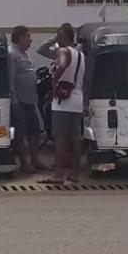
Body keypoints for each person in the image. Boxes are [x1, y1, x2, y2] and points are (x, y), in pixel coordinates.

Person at [40, 23, 85, 185]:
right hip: (77, 98)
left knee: (59, 137)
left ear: (63, 36)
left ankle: (58, 175)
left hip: (63, 100)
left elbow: (63, 64)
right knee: (75, 137)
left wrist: (54, 81)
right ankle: (75, 173)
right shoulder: (81, 55)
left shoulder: (63, 51)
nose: (57, 39)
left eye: (59, 35)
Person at [9, 25, 48, 174]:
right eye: (27, 37)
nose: (30, 40)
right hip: (19, 101)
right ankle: (25, 163)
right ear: (19, 38)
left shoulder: (25, 54)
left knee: (35, 131)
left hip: (31, 100)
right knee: (21, 133)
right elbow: (10, 79)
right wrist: (14, 101)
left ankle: (35, 160)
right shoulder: (12, 54)